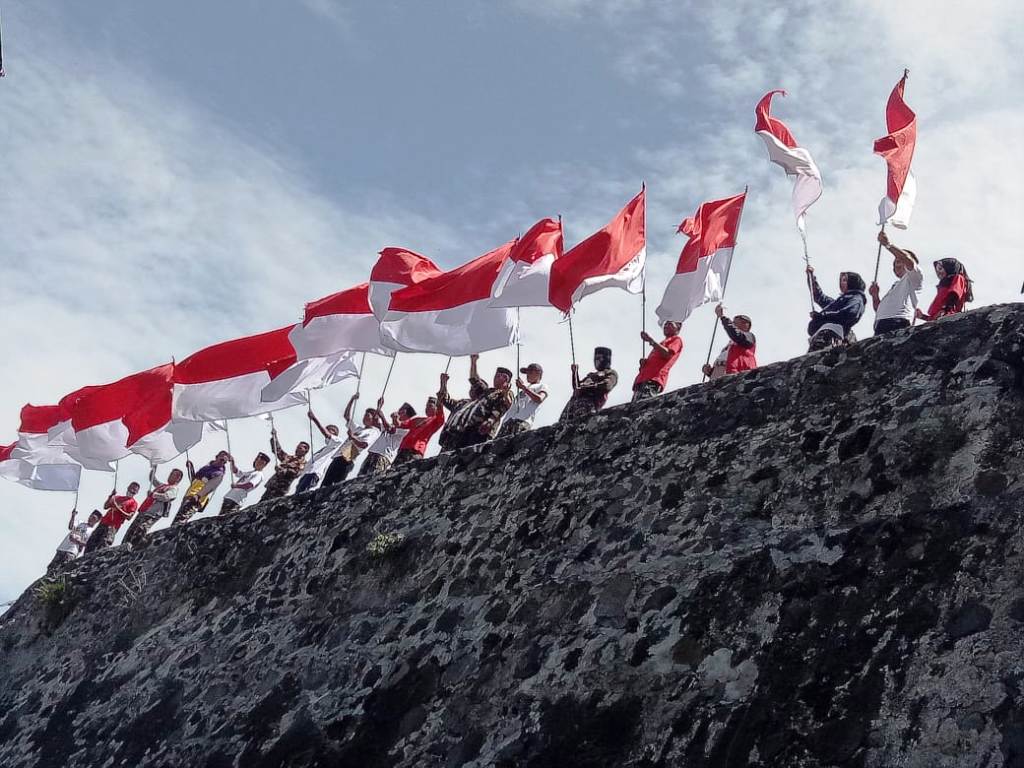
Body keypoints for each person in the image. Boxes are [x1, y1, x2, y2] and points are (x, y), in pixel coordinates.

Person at [441, 364, 515, 450]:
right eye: (496, 375)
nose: (497, 378)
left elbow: (509, 404)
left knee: (471, 456)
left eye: (502, 376)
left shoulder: (506, 393)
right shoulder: (485, 393)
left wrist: (505, 393)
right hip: (464, 431)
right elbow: (474, 379)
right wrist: (473, 360)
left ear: (507, 380)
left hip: (483, 430)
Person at [321, 394, 381, 487]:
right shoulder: (358, 428)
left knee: (336, 484)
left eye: (367, 415)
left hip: (349, 456)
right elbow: (347, 416)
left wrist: (352, 437)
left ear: (373, 418)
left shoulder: (373, 431)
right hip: (340, 455)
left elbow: (364, 444)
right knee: (326, 483)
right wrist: (352, 400)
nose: (364, 417)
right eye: (364, 415)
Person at [870, 231, 923, 334]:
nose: (895, 265)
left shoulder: (914, 277)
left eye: (898, 261)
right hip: (881, 324)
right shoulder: (896, 286)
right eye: (894, 263)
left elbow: (908, 260)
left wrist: (888, 244)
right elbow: (879, 308)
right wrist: (875, 296)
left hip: (899, 321)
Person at [805, 266, 867, 351]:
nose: (841, 283)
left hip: (831, 333)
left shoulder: (856, 298)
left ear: (853, 282)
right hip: (830, 333)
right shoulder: (839, 302)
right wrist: (811, 278)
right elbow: (819, 297)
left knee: (819, 357)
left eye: (844, 280)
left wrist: (821, 316)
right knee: (823, 358)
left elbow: (850, 313)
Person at [122, 466, 184, 547]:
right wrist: (154, 468)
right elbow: (153, 479)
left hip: (153, 513)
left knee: (141, 530)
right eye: (170, 473)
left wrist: (153, 494)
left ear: (178, 478)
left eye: (172, 474)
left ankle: (135, 547)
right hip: (144, 511)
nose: (169, 475)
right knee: (132, 530)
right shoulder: (162, 485)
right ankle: (123, 547)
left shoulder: (173, 488)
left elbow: (166, 497)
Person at [438, 355, 489, 451]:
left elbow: (474, 380)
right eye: (471, 387)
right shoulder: (462, 403)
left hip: (464, 437)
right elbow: (444, 399)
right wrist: (443, 383)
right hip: (449, 437)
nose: (472, 388)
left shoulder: (481, 404)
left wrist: (473, 361)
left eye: (475, 387)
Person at [359, 399, 416, 476]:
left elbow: (390, 430)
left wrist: (382, 416)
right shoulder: (390, 425)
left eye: (402, 411)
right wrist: (379, 407)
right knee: (361, 476)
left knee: (372, 476)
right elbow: (376, 422)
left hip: (384, 456)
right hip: (373, 452)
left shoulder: (406, 430)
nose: (398, 412)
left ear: (407, 416)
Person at [560, 347, 618, 421]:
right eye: (595, 358)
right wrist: (575, 372)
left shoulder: (610, 373)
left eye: (599, 358)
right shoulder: (591, 375)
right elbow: (577, 387)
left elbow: (607, 385)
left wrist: (586, 388)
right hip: (571, 406)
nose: (596, 361)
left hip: (588, 404)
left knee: (580, 424)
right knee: (561, 427)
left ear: (606, 359)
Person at [173, 451, 231, 525]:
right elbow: (194, 479)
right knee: (179, 517)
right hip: (189, 495)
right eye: (222, 457)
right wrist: (191, 468)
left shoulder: (219, 473)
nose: (222, 460)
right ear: (217, 457)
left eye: (224, 460)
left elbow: (211, 487)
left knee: (182, 518)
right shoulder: (207, 468)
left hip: (197, 498)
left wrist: (198, 495)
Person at [702, 305, 757, 380]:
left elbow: (736, 334)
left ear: (747, 325)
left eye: (738, 322)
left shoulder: (749, 337)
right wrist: (710, 371)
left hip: (735, 373)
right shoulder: (729, 345)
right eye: (734, 322)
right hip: (719, 374)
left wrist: (722, 317)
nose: (734, 324)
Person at [295, 410, 344, 494]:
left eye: (330, 430)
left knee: (302, 494)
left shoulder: (337, 442)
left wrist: (314, 419)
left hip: (315, 473)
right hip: (307, 473)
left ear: (335, 434)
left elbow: (326, 434)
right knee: (298, 493)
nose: (327, 431)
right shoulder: (326, 449)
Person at [633, 321, 683, 401]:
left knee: (642, 406)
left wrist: (650, 340)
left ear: (677, 328)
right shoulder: (662, 343)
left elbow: (667, 354)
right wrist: (645, 364)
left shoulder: (676, 340)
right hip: (642, 380)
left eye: (670, 324)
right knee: (635, 408)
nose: (666, 325)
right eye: (665, 324)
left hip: (653, 379)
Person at [84, 483, 141, 553]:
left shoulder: (133, 503)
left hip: (113, 526)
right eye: (131, 488)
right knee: (91, 542)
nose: (132, 490)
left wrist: (118, 508)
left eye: (134, 490)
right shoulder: (117, 497)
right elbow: (105, 506)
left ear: (136, 492)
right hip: (103, 523)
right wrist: (111, 496)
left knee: (104, 544)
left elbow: (129, 517)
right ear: (128, 487)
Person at [498, 363, 549, 437]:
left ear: (539, 373)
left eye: (530, 372)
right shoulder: (524, 390)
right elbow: (511, 406)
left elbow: (539, 399)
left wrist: (523, 387)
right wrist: (506, 393)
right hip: (507, 422)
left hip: (522, 421)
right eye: (526, 373)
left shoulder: (542, 386)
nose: (527, 375)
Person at [394, 393, 446, 466]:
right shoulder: (416, 419)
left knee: (409, 472)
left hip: (416, 450)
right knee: (393, 472)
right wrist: (395, 418)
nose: (427, 408)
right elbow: (399, 424)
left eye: (430, 406)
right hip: (403, 448)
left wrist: (440, 401)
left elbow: (440, 413)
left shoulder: (436, 420)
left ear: (436, 408)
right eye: (426, 406)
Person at [260, 430, 310, 500]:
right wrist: (275, 437)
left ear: (305, 451)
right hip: (272, 485)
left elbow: (296, 473)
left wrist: (282, 470)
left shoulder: (303, 463)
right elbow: (277, 450)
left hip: (280, 489)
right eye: (297, 447)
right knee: (261, 502)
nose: (297, 449)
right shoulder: (288, 458)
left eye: (300, 448)